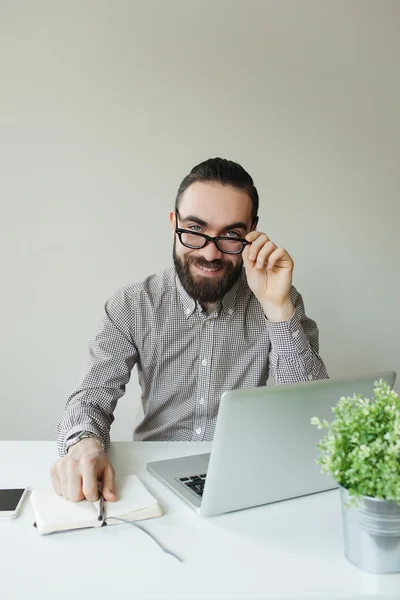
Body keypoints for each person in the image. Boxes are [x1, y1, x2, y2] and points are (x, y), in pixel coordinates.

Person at [51, 157, 328, 504]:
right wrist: (84, 445)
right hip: (150, 478)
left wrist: (277, 309)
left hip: (243, 477)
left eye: (231, 235)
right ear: (174, 223)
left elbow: (313, 420)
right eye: (195, 230)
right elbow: (89, 399)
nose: (211, 253)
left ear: (252, 235)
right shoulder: (132, 305)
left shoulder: (278, 300)